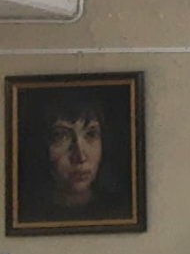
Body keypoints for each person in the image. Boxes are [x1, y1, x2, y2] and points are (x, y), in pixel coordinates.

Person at [19, 91, 128, 224]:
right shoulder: (29, 214)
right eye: (60, 136)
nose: (80, 157)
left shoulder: (120, 211)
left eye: (91, 134)